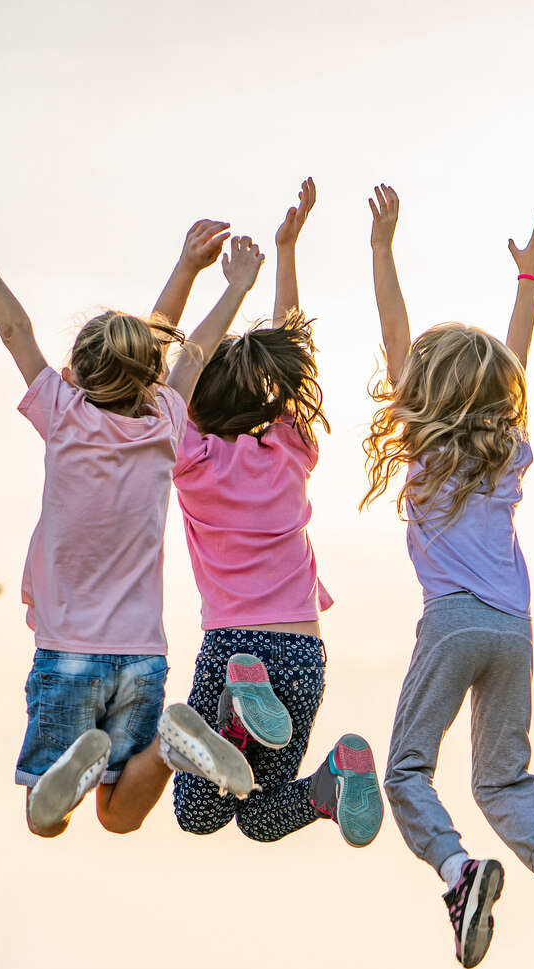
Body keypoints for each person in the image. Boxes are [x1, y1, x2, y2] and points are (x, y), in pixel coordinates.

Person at [0, 196, 259, 839]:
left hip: (68, 655)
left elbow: (13, 331)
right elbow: (191, 350)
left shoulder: (64, 414)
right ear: (151, 376)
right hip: (142, 657)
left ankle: (75, 769)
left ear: (76, 375)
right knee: (118, 817)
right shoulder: (165, 421)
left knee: (45, 821)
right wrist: (230, 285)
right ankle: (170, 745)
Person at [364, 186, 534, 969]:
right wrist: (528, 283)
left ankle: (458, 873)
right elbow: (518, 365)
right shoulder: (509, 449)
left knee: (406, 769)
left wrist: (382, 247)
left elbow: (395, 332)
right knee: (503, 780)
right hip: (514, 631)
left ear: (423, 393)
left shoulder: (425, 448)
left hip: (452, 621)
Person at [152, 179, 382, 848]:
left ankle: (230, 717)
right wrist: (287, 251)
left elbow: (178, 377)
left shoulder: (192, 457)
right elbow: (296, 351)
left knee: (199, 813)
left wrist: (232, 289)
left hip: (235, 649)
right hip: (303, 650)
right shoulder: (290, 445)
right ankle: (334, 776)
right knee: (258, 814)